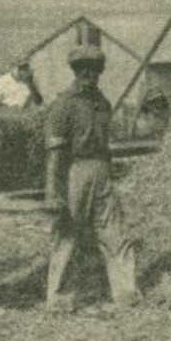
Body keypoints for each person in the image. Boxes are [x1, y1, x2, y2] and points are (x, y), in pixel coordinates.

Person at [43, 41, 140, 312]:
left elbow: (106, 144)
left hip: (101, 171)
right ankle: (60, 298)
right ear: (75, 72)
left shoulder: (103, 104)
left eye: (95, 71)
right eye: (84, 71)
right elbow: (54, 153)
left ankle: (126, 295)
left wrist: (109, 174)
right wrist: (53, 192)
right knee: (67, 235)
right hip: (74, 171)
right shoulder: (63, 106)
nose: (90, 76)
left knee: (116, 233)